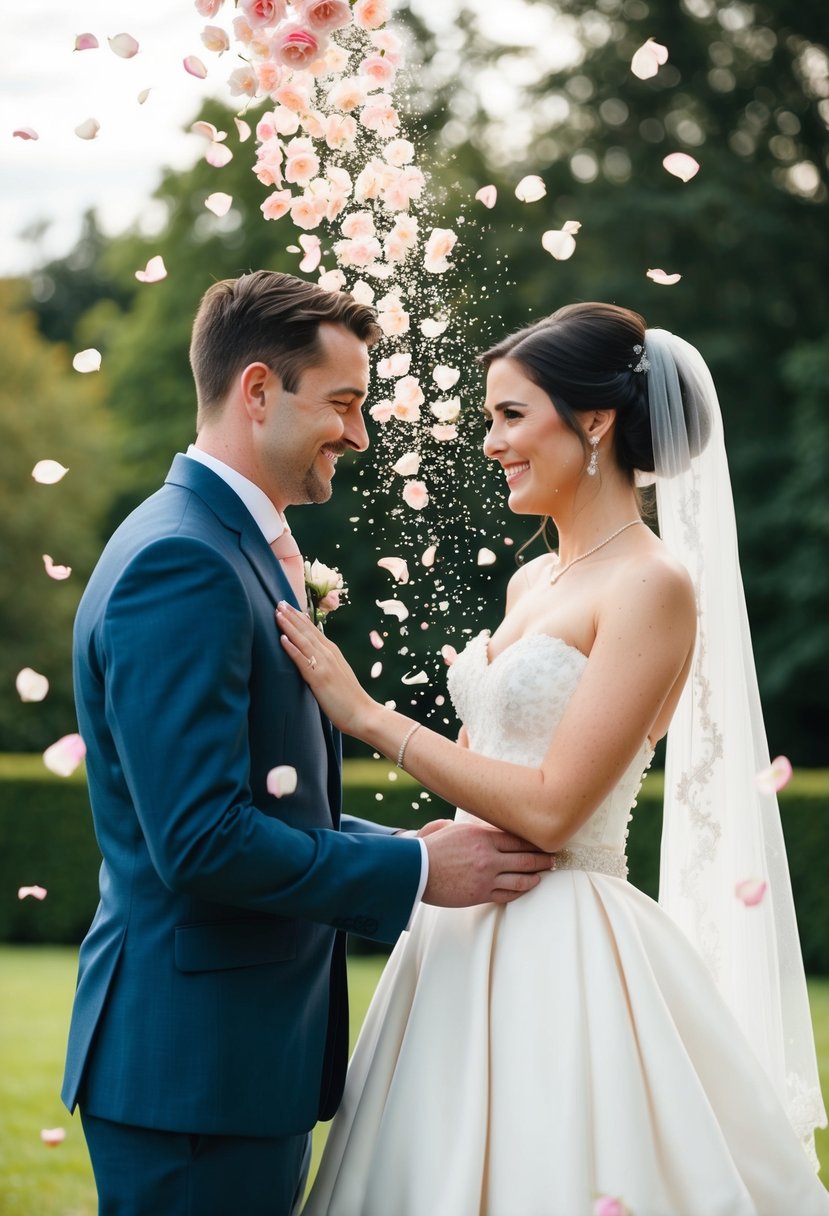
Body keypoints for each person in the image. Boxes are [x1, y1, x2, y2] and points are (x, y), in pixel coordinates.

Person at [278, 302, 829, 1215]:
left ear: (596, 423)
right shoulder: (532, 579)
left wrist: (365, 716)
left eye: (511, 416)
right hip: (455, 937)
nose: (492, 442)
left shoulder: (653, 585)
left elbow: (550, 808)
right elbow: (487, 755)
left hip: (566, 942)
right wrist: (437, 834)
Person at [60, 270, 554, 1216]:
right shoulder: (184, 561)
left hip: (226, 1062)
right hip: (193, 1071)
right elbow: (201, 840)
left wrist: (405, 847)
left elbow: (269, 807)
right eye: (342, 403)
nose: (359, 434)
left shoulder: (223, 546)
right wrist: (412, 881)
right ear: (256, 392)